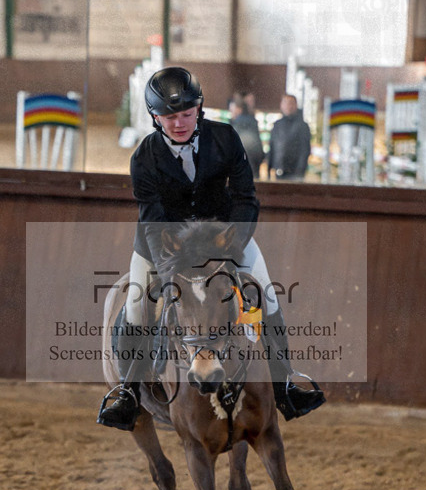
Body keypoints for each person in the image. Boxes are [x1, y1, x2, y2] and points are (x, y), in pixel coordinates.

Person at [97, 66, 325, 432]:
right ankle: (127, 391)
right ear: (155, 117)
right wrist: (170, 271)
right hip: (163, 244)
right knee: (138, 303)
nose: (179, 123)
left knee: (266, 293)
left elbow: (246, 199)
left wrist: (230, 248)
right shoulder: (144, 157)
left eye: (186, 114)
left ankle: (285, 384)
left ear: (199, 108)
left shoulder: (226, 138)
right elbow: (154, 220)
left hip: (224, 240)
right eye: (169, 116)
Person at [267, 94, 311, 181]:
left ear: (296, 105)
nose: (288, 106)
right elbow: (272, 147)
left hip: (295, 172)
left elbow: (305, 150)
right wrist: (269, 167)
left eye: (291, 103)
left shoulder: (302, 126)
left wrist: (300, 171)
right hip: (279, 170)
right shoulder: (277, 125)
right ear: (281, 105)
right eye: (285, 103)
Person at [228, 93, 264, 178]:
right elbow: (259, 152)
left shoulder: (236, 127)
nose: (231, 113)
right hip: (253, 171)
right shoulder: (253, 123)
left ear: (239, 109)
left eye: (232, 110)